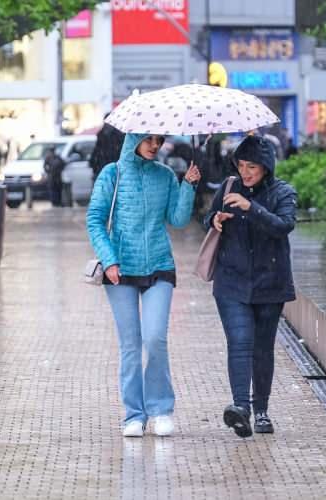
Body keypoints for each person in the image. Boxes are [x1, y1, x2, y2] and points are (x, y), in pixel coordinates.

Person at [87, 133, 201, 438]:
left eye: (159, 140)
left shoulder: (164, 176)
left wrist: (188, 185)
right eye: (148, 139)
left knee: (154, 339)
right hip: (120, 270)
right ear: (134, 138)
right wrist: (109, 260)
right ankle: (134, 415)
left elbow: (177, 220)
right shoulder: (112, 173)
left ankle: (161, 409)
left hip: (159, 267)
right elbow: (95, 219)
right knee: (130, 346)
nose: (155, 145)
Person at [204, 135, 297, 438]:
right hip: (231, 281)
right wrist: (215, 219)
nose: (245, 172)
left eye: (252, 166)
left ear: (266, 167)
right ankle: (240, 408)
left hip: (270, 282)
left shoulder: (283, 192)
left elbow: (284, 225)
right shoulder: (229, 188)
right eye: (241, 165)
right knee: (240, 341)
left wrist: (250, 207)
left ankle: (262, 410)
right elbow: (209, 217)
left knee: (262, 348)